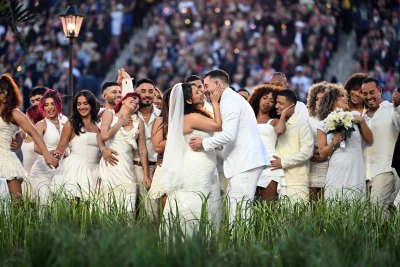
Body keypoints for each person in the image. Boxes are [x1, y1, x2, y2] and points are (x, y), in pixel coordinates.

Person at [189, 69, 269, 222]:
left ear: (217, 84)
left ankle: (241, 244)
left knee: (239, 210)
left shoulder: (229, 101)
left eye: (206, 86)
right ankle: (238, 242)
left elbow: (228, 134)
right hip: (243, 161)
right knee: (237, 207)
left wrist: (204, 143)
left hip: (246, 161)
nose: (204, 90)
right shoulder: (229, 99)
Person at [162, 82, 223, 234]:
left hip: (200, 163)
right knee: (196, 201)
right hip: (197, 164)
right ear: (188, 100)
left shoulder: (189, 116)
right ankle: (192, 237)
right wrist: (215, 102)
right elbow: (217, 126)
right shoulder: (191, 117)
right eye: (197, 92)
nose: (201, 92)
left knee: (203, 200)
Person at [0, 74, 58, 201]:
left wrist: (47, 155)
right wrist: (18, 139)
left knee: (17, 207)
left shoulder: (14, 113)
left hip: (7, 162)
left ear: (4, 94)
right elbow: (17, 134)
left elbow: (34, 133)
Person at [316, 84, 373, 200]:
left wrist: (361, 121)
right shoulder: (323, 124)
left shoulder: (356, 116)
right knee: (335, 200)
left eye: (346, 96)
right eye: (342, 96)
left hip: (356, 165)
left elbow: (370, 139)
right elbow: (322, 153)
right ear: (332, 100)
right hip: (337, 165)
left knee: (356, 201)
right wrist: (334, 142)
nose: (346, 98)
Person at [99, 88, 150, 211]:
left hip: (127, 170)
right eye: (133, 98)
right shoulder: (109, 114)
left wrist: (146, 175)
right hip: (109, 167)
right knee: (106, 210)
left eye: (138, 102)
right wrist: (120, 122)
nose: (136, 101)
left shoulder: (139, 123)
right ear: (123, 101)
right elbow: (104, 136)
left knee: (128, 211)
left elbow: (142, 150)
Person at [52, 90, 101, 199]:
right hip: (75, 169)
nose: (82, 107)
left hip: (94, 170)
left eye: (85, 103)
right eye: (78, 104)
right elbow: (60, 149)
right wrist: (52, 157)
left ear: (91, 105)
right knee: (75, 208)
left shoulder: (99, 125)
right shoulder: (71, 124)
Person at [361, 78, 400, 207]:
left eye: (372, 92)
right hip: (364, 172)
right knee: (369, 215)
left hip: (385, 169)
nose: (369, 97)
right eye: (365, 94)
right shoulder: (361, 116)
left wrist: (398, 107)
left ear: (380, 91)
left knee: (376, 208)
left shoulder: (391, 108)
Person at [271, 89, 313, 202]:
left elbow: (307, 152)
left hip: (296, 182)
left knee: (298, 218)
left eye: (280, 103)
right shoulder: (277, 123)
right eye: (276, 102)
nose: (276, 106)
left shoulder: (302, 124)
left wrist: (283, 162)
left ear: (291, 106)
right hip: (277, 179)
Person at [248, 84, 289, 201]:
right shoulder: (248, 119)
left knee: (268, 207)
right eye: (265, 98)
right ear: (258, 98)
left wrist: (283, 115)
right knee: (248, 205)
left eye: (271, 100)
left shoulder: (274, 121)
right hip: (251, 163)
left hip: (269, 165)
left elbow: (281, 130)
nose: (267, 102)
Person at [29, 89, 68, 204]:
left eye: (53, 104)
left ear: (58, 105)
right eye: (46, 105)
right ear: (43, 107)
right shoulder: (41, 124)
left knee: (60, 207)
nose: (50, 108)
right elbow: (36, 147)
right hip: (42, 171)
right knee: (45, 205)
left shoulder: (66, 121)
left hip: (61, 169)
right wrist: (51, 153)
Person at [306, 82, 330, 201]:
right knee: (313, 203)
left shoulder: (336, 117)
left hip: (331, 165)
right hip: (312, 164)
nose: (319, 102)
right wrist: (311, 154)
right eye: (316, 99)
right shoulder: (307, 118)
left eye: (323, 99)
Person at [149, 88, 172, 208]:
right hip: (166, 166)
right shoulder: (161, 120)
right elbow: (157, 146)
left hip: (185, 165)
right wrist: (179, 138)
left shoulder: (189, 119)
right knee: (166, 206)